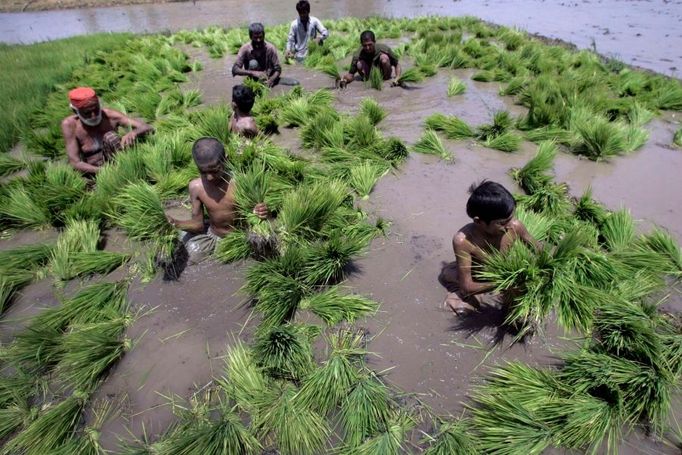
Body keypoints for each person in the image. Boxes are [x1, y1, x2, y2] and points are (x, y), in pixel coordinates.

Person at [440, 181, 541, 315]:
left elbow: (539, 251)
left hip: (501, 277)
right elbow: (467, 287)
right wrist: (505, 284)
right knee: (461, 310)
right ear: (478, 221)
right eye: (502, 223)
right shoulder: (463, 241)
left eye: (511, 218)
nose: (510, 225)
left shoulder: (515, 226)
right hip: (474, 281)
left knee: (523, 312)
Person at [166, 137, 268, 263]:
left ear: (226, 159)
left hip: (242, 235)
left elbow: (255, 211)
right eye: (203, 172)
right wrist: (175, 223)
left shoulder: (241, 182)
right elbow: (198, 225)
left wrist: (259, 211)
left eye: (214, 171)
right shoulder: (196, 187)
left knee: (261, 249)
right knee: (191, 255)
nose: (209, 177)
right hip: (214, 235)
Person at [61, 87, 153, 174]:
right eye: (87, 113)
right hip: (94, 171)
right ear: (75, 111)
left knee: (111, 137)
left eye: (96, 110)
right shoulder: (70, 125)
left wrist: (134, 133)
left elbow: (147, 127)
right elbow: (75, 163)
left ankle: (129, 170)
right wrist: (105, 171)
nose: (93, 116)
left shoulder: (110, 116)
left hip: (119, 161)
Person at [232, 23, 282, 88]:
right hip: (252, 80)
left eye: (260, 37)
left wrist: (271, 80)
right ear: (250, 37)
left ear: (264, 35)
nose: (258, 40)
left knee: (294, 83)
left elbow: (278, 69)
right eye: (255, 38)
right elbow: (235, 69)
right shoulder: (245, 49)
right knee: (253, 63)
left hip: (268, 78)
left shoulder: (270, 48)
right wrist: (253, 73)